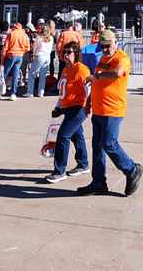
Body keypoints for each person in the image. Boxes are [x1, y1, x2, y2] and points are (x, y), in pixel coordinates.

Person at [77, 29, 143, 197]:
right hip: (99, 110)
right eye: (102, 46)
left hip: (113, 110)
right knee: (97, 147)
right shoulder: (103, 59)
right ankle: (98, 183)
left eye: (107, 46)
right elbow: (97, 83)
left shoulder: (122, 58)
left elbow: (117, 73)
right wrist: (89, 102)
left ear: (116, 43)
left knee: (109, 144)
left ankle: (132, 169)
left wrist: (97, 75)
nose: (105, 49)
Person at [45, 41, 91, 183]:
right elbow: (63, 90)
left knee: (63, 136)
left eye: (69, 52)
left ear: (76, 54)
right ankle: (83, 164)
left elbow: (89, 89)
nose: (65, 55)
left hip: (78, 108)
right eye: (64, 52)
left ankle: (59, 171)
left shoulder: (80, 69)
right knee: (77, 136)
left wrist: (88, 106)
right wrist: (58, 106)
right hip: (67, 108)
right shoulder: (66, 69)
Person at [2, 22, 31, 100]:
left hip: (10, 55)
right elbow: (27, 48)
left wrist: (2, 59)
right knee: (15, 75)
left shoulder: (11, 34)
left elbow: (5, 47)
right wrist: (21, 51)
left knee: (4, 74)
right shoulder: (24, 35)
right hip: (20, 55)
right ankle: (13, 94)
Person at [26, 24, 54, 97]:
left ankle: (30, 92)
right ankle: (41, 92)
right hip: (47, 56)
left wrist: (35, 54)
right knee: (43, 75)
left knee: (32, 74)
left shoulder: (39, 37)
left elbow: (35, 48)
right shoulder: (51, 38)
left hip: (40, 55)